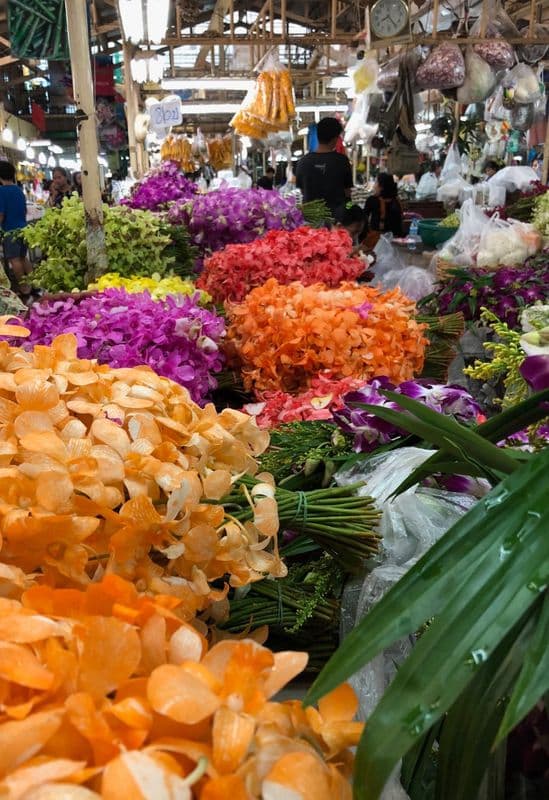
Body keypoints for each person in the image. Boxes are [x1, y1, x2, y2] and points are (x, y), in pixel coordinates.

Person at [295, 117, 352, 217]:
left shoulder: (302, 162)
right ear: (335, 138)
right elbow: (348, 195)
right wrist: (349, 210)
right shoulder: (342, 161)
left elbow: (303, 192)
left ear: (317, 135)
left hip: (312, 221)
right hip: (337, 220)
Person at [0, 161, 33, 297]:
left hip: (10, 231)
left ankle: (24, 288)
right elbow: (24, 210)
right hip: (23, 229)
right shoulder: (18, 190)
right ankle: (35, 283)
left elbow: (1, 214)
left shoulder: (1, 191)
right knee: (23, 258)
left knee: (15, 260)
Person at [363, 173, 404, 245]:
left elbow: (363, 218)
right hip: (397, 240)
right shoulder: (397, 200)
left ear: (381, 187)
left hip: (378, 241)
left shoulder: (372, 200)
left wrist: (348, 204)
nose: (374, 185)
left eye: (376, 182)